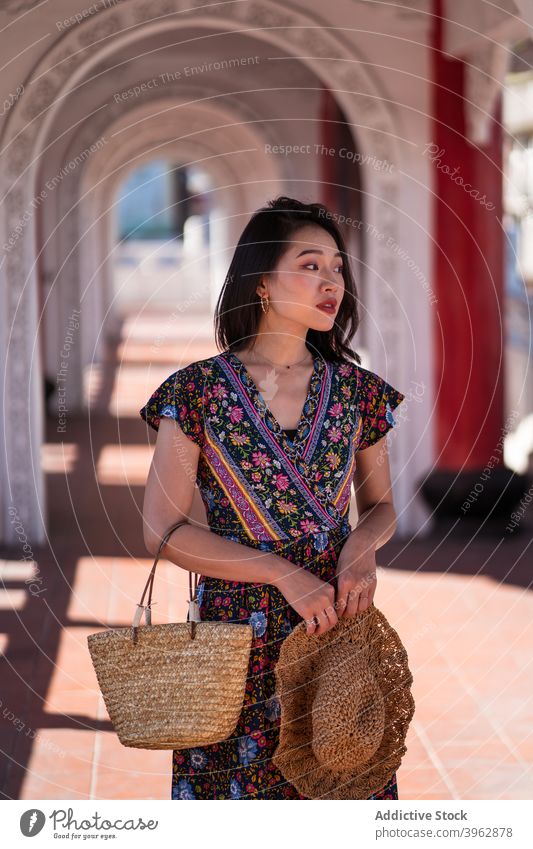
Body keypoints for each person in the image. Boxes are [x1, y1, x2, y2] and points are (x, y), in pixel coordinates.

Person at [140, 195, 405, 800]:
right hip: (235, 640)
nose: (330, 280)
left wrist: (361, 549)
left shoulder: (360, 393)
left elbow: (382, 506)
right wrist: (285, 575)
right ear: (261, 281)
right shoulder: (195, 394)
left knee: (343, 790)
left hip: (335, 633)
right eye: (309, 265)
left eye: (337, 267)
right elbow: (161, 531)